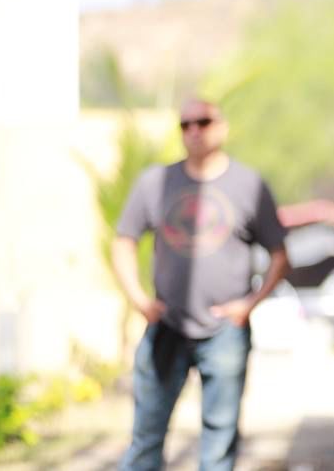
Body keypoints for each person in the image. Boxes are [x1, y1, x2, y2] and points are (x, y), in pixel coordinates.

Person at [112, 98, 289, 471]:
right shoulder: (155, 182)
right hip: (166, 325)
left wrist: (249, 304)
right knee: (145, 437)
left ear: (221, 127)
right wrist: (139, 300)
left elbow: (279, 255)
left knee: (219, 442)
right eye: (185, 124)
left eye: (203, 122)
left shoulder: (249, 184)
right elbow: (124, 241)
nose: (194, 131)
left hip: (225, 330)